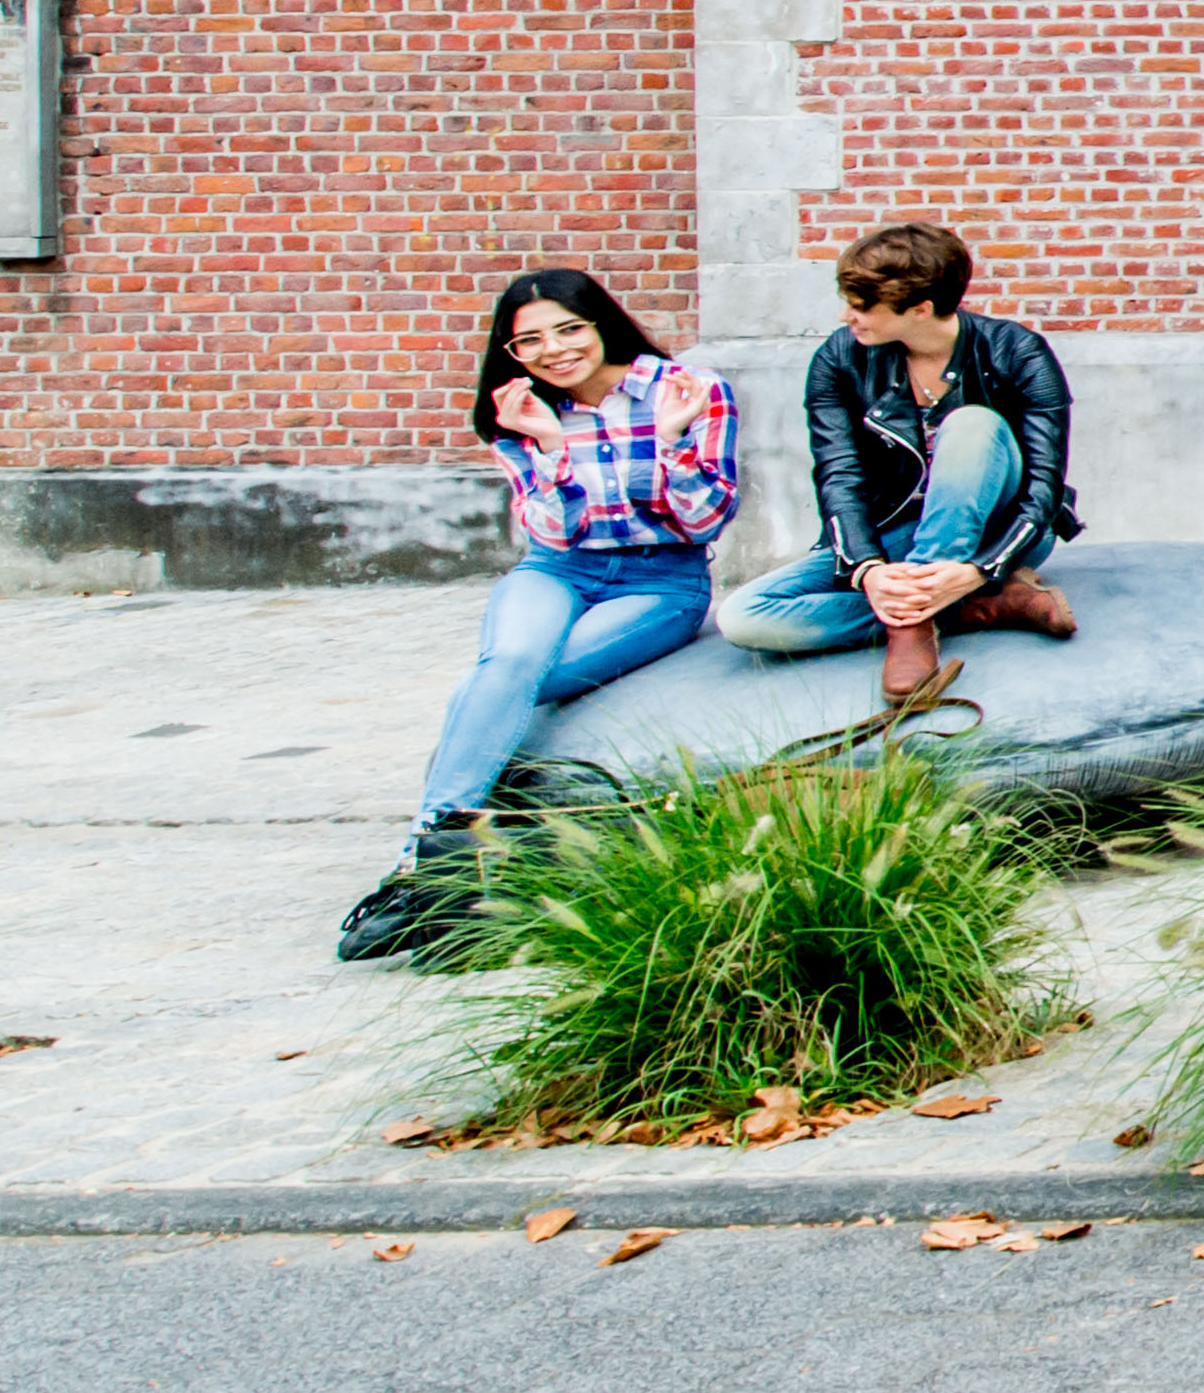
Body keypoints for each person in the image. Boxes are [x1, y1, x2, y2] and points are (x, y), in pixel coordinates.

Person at [353, 269, 744, 939]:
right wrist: (553, 445)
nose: (555, 350)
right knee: (508, 662)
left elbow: (701, 521)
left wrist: (670, 437)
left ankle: (433, 872)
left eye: (569, 329)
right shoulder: (517, 410)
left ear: (601, 325)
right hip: (557, 569)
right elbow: (554, 532)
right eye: (529, 340)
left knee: (525, 679)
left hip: (661, 581)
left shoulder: (689, 389)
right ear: (510, 351)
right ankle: (424, 863)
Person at [717, 220, 1084, 712]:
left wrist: (982, 568)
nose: (849, 317)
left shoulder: (1016, 352)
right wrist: (868, 569)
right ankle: (970, 609)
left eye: (863, 306)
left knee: (973, 424)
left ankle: (911, 626)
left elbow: (1043, 488)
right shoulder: (841, 359)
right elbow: (838, 475)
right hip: (893, 533)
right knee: (746, 618)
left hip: (1001, 534)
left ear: (921, 309)